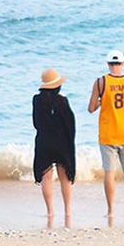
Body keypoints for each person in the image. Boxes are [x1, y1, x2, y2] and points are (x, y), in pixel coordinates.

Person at [88, 49, 124, 223]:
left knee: (109, 174)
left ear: (108, 63)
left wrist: (102, 101)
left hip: (108, 134)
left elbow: (91, 108)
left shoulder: (101, 82)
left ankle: (111, 210)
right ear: (123, 63)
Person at [33, 67, 76, 227]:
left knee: (46, 177)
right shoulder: (62, 101)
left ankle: (50, 211)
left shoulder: (37, 100)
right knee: (64, 176)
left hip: (44, 140)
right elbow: (70, 123)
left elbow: (36, 123)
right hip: (61, 142)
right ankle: (67, 210)